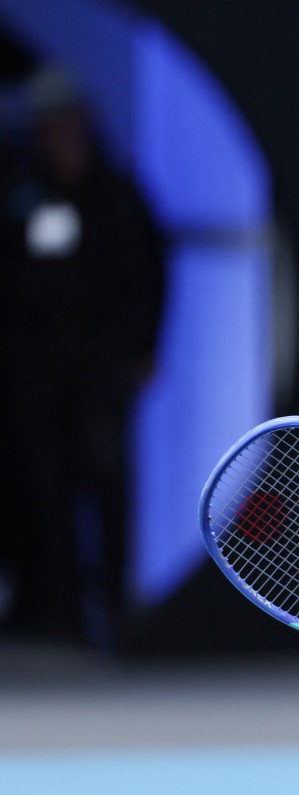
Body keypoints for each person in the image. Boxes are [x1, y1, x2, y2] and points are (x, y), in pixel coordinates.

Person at [0, 65, 165, 645]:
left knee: (106, 476)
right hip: (33, 364)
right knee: (42, 487)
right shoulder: (22, 192)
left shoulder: (117, 197)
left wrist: (144, 347)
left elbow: (149, 273)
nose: (57, 135)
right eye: (47, 125)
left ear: (85, 124)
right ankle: (55, 610)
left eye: (66, 123)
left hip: (101, 363)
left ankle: (118, 611)